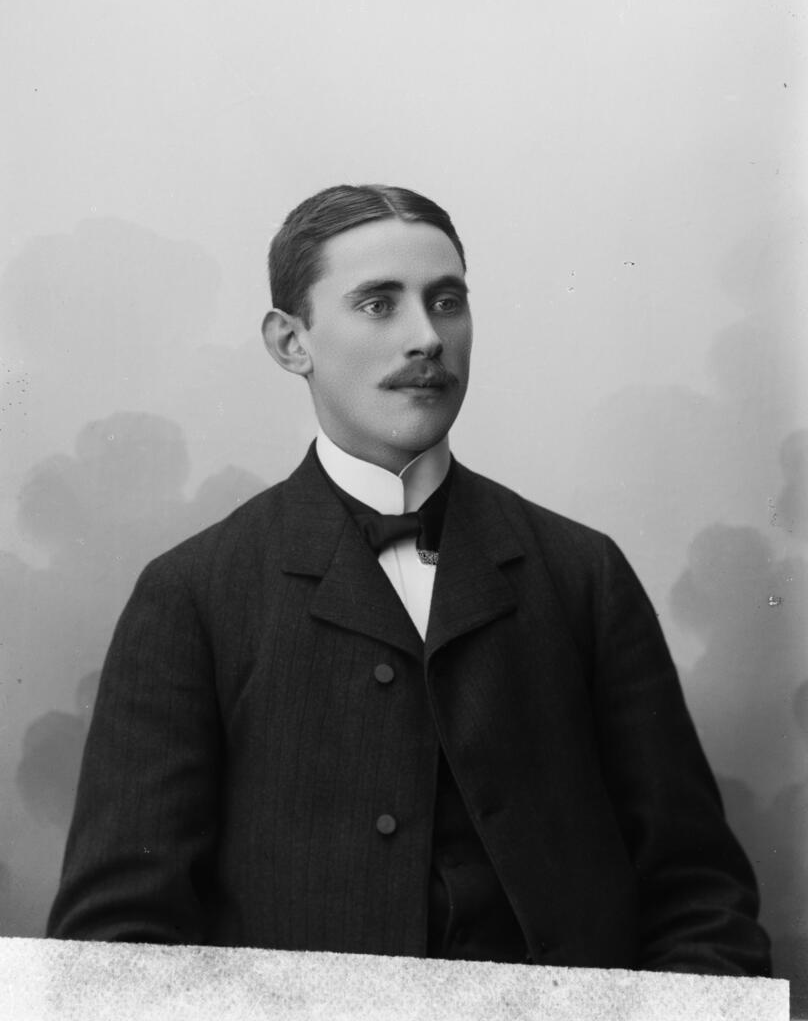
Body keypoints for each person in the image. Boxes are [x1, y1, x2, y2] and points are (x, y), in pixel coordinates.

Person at [47, 184, 771, 974]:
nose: (428, 337)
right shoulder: (193, 595)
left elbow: (699, 899)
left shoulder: (581, 574)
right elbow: (115, 950)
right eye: (378, 304)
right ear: (291, 342)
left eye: (447, 301)